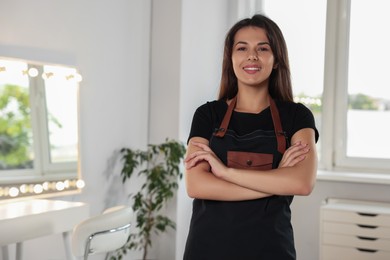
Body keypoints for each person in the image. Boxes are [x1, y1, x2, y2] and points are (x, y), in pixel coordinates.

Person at [183, 14, 319, 260]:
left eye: (263, 48)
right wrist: (276, 181)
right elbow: (197, 185)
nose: (252, 55)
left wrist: (225, 173)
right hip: (208, 249)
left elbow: (301, 183)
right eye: (242, 48)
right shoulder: (207, 115)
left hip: (271, 250)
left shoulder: (297, 117)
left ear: (276, 60)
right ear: (231, 58)